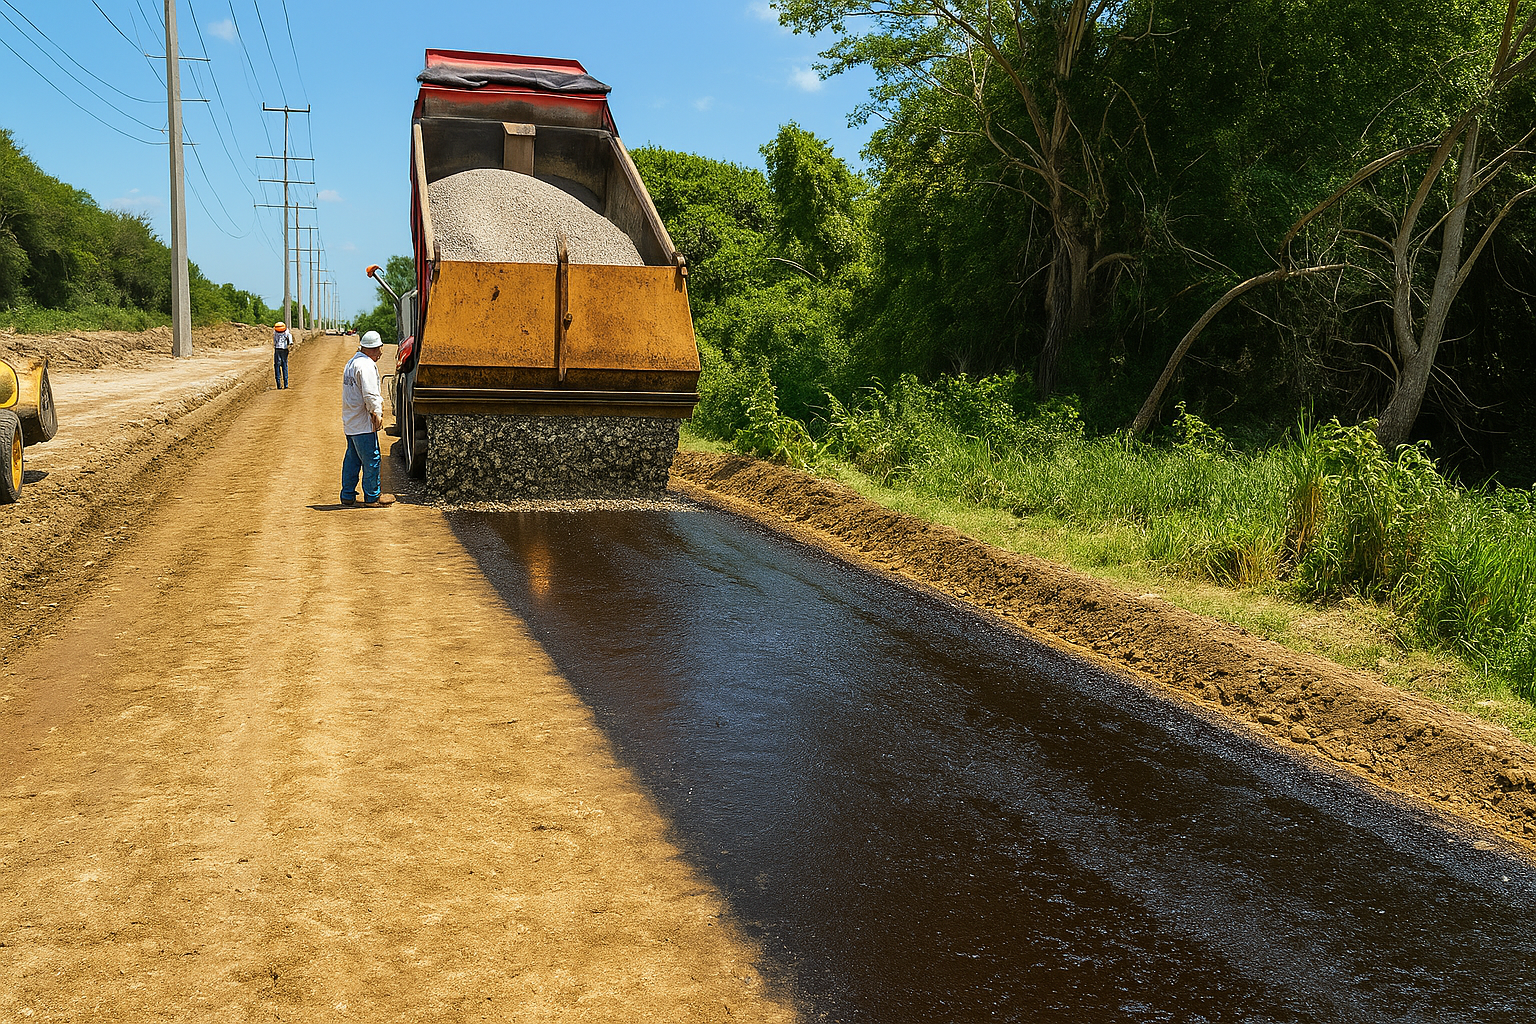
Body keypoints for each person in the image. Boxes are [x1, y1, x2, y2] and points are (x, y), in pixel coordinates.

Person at [340, 331, 396, 508]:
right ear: (375, 349)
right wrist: (377, 413)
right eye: (380, 349)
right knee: (372, 458)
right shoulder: (366, 365)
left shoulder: (351, 363)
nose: (381, 353)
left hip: (351, 421)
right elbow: (370, 394)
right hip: (363, 422)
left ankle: (347, 495)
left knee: (352, 459)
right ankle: (372, 497)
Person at [272, 321, 293, 389]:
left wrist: (275, 344)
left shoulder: (275, 332)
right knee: (284, 366)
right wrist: (290, 343)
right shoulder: (287, 332)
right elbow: (290, 339)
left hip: (277, 349)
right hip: (284, 349)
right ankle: (286, 385)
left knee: (277, 366)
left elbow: (275, 341)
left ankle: (279, 385)